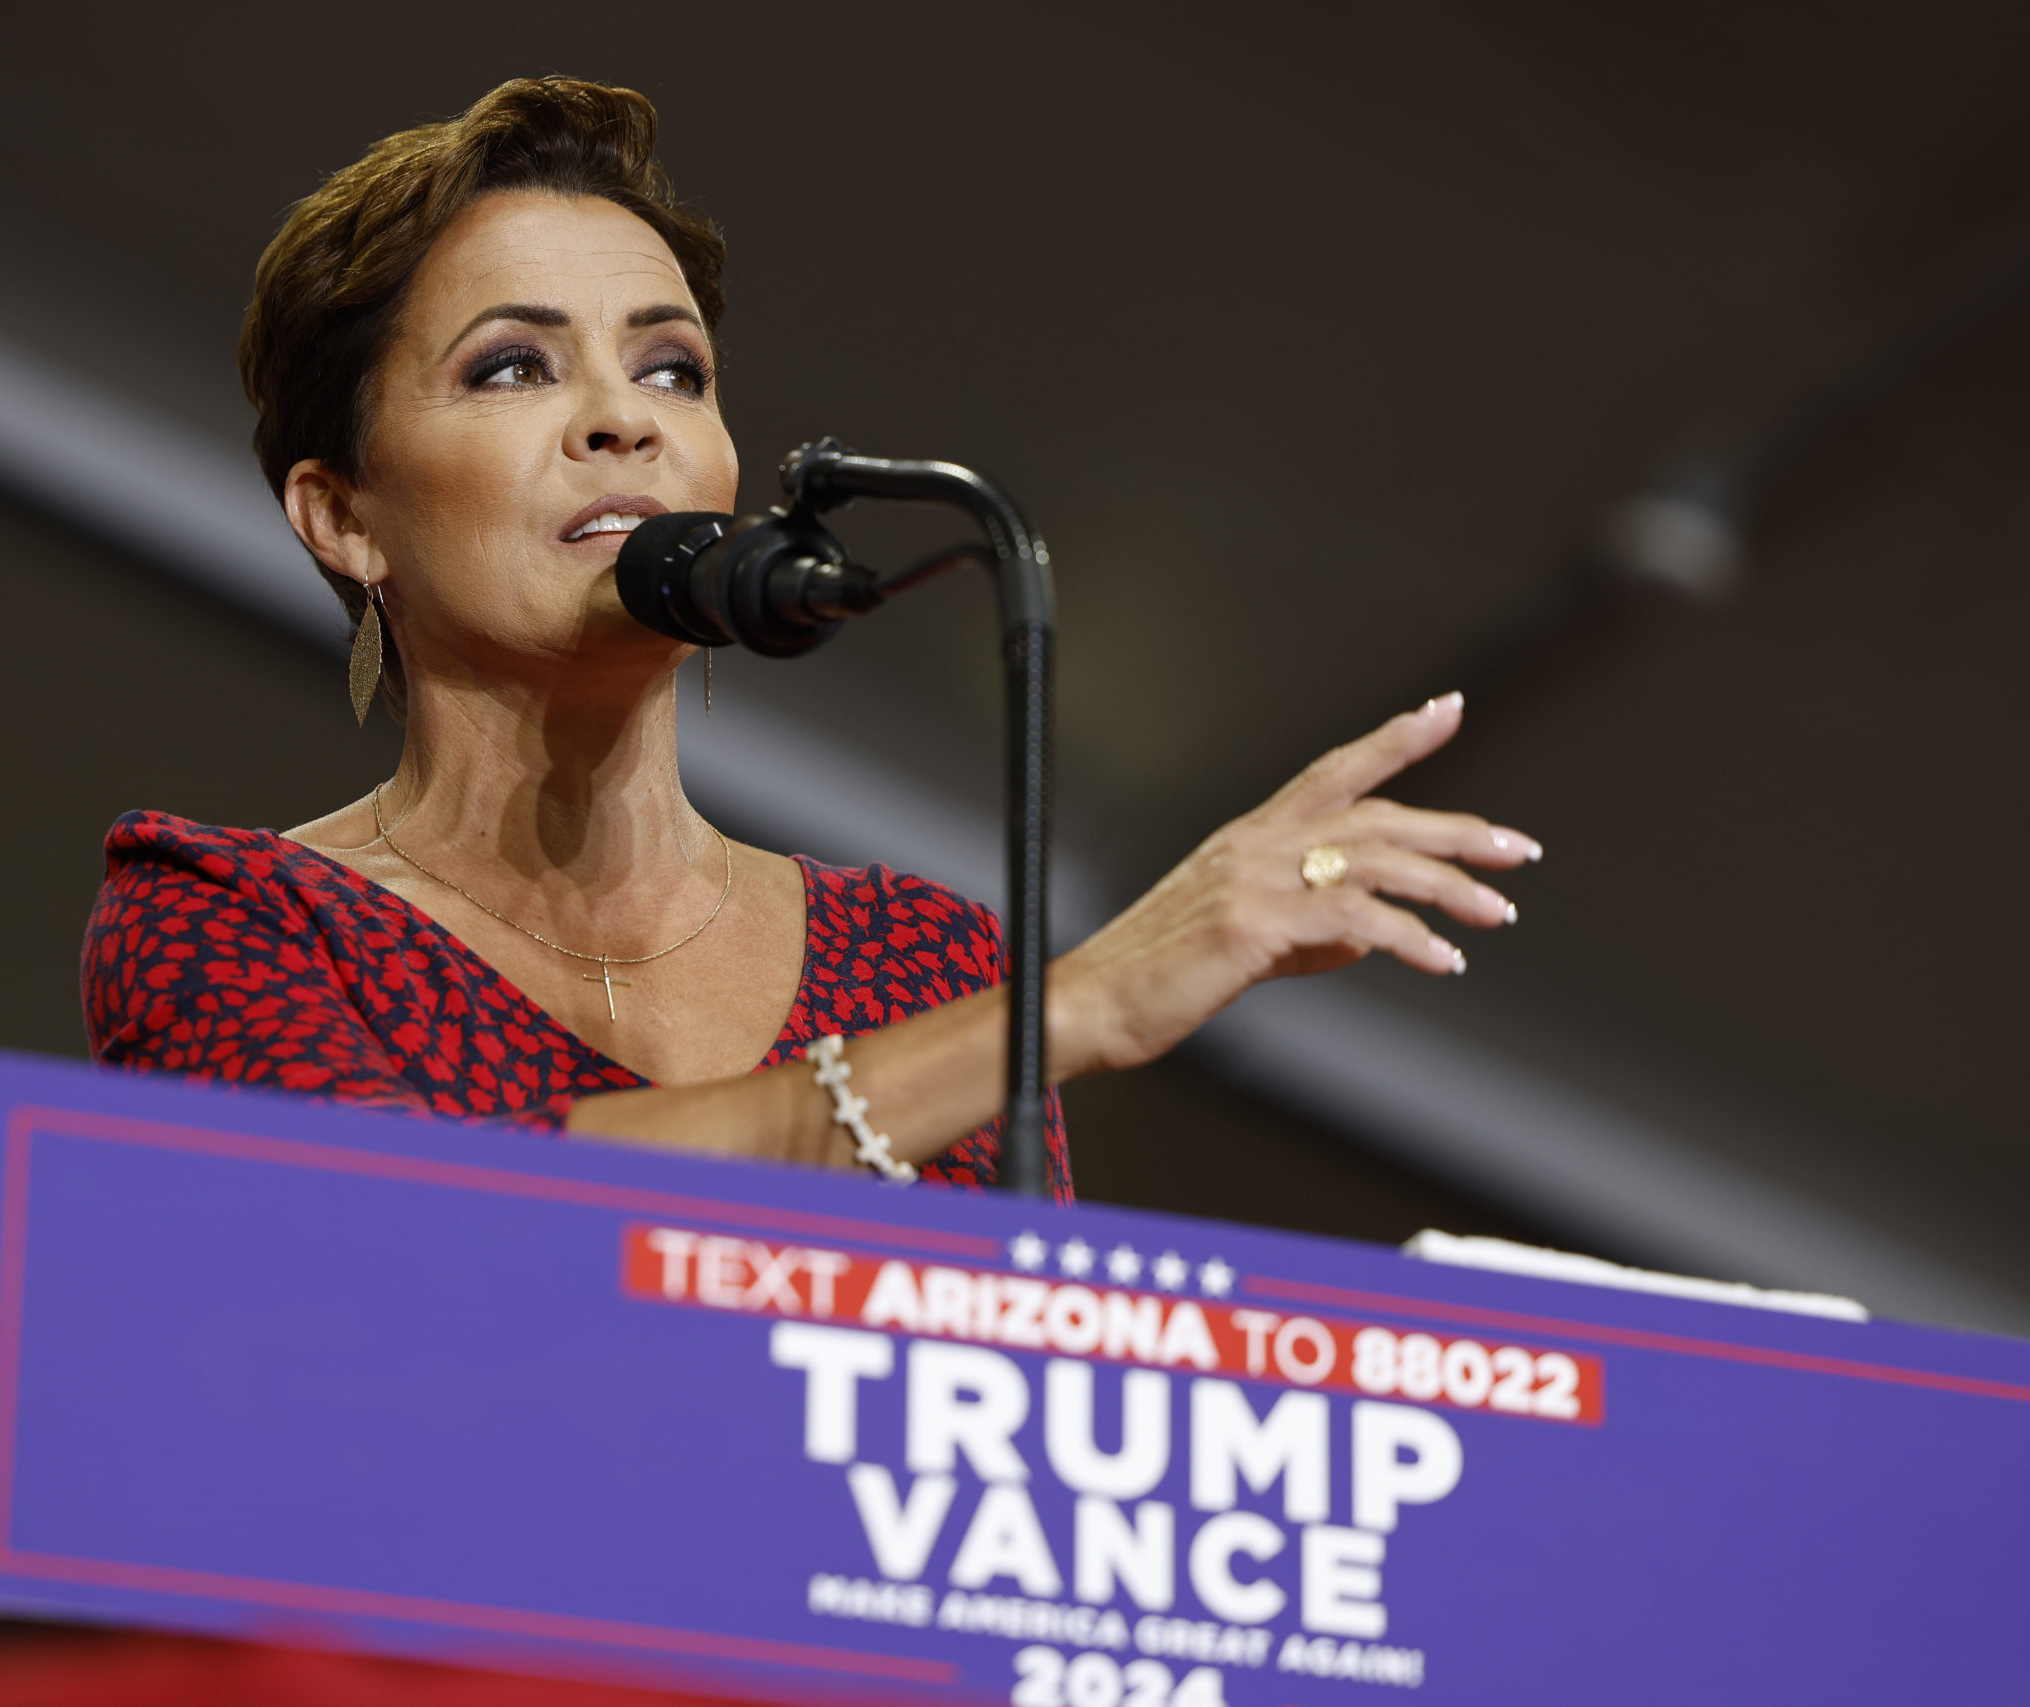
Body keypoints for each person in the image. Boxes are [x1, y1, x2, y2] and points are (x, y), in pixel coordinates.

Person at [81, 77, 1538, 1202]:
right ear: (344, 519)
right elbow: (415, 1247)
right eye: (512, 366)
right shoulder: (231, 920)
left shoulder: (923, 965)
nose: (623, 416)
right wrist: (1073, 1008)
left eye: (672, 367)